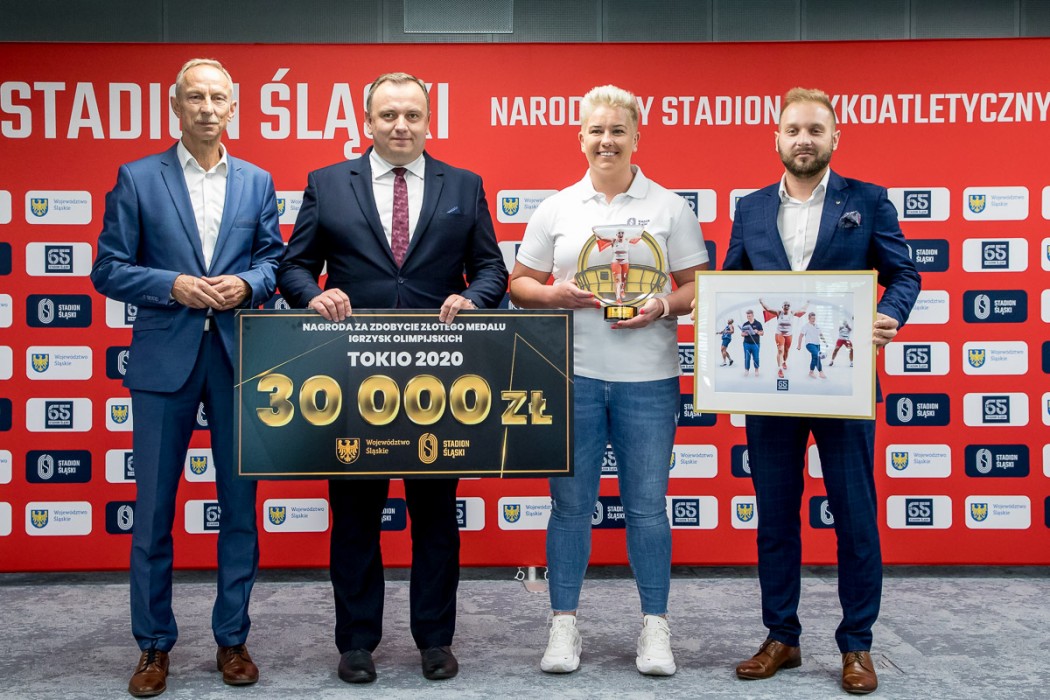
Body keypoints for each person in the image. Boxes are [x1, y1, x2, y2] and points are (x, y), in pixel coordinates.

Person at [276, 72, 508, 684]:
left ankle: (435, 639)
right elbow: (294, 267)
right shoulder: (328, 183)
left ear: (429, 121)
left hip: (441, 380)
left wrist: (475, 299)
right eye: (388, 115)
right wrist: (313, 296)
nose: (400, 125)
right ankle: (356, 642)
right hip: (353, 379)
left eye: (412, 115)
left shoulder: (464, 185)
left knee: (436, 517)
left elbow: (491, 269)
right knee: (354, 516)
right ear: (367, 122)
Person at [91, 58, 284, 697]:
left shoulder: (257, 181)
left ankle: (233, 640)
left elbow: (273, 260)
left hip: (237, 361)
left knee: (239, 509)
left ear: (234, 107)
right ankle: (153, 646)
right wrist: (170, 283)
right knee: (151, 512)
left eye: (217, 98)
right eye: (195, 97)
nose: (207, 108)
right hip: (162, 361)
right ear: (175, 105)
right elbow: (108, 268)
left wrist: (248, 284)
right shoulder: (138, 177)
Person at [723, 87, 919, 695]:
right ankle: (781, 636)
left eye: (815, 129)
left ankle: (857, 644)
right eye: (793, 130)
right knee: (776, 519)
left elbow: (904, 273)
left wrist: (889, 313)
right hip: (771, 388)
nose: (803, 140)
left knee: (855, 518)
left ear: (835, 138)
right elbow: (732, 283)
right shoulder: (751, 208)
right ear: (776, 139)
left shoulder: (869, 200)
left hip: (843, 384)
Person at [509, 84, 709, 677]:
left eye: (618, 130)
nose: (606, 141)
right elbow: (519, 284)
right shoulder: (557, 208)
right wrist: (554, 294)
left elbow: (699, 286)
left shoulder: (670, 208)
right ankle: (563, 623)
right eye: (596, 130)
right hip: (571, 376)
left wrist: (663, 306)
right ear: (580, 138)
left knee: (647, 508)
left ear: (636, 138)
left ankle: (655, 626)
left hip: (649, 379)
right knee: (570, 508)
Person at [760, 298, 808, 377]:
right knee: (780, 350)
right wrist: (761, 302)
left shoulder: (792, 313)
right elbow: (768, 309)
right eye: (785, 305)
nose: (786, 306)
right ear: (782, 307)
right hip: (779, 334)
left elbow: (802, 309)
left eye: (788, 305)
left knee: (786, 351)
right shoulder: (779, 312)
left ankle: (784, 362)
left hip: (789, 335)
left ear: (790, 307)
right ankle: (780, 369)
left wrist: (807, 303)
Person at [797, 312, 827, 378]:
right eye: (812, 318)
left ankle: (811, 372)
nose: (813, 320)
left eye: (814, 318)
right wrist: (799, 345)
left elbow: (820, 334)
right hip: (809, 344)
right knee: (817, 355)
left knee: (814, 358)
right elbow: (800, 336)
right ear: (809, 318)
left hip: (817, 345)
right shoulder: (805, 326)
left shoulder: (817, 326)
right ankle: (821, 372)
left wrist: (825, 342)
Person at [739, 309, 764, 377]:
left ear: (753, 315)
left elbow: (762, 333)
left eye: (749, 316)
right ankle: (746, 370)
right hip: (746, 344)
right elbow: (742, 334)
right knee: (747, 357)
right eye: (747, 316)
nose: (748, 317)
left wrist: (757, 331)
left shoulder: (758, 323)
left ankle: (756, 370)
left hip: (755, 344)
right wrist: (744, 334)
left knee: (756, 358)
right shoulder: (745, 324)